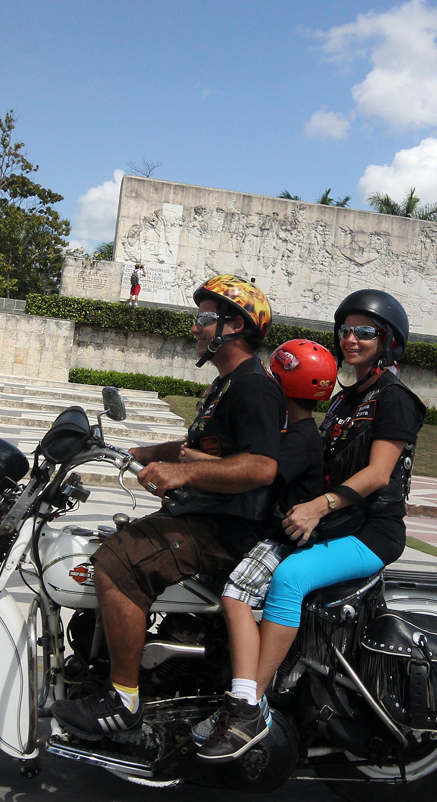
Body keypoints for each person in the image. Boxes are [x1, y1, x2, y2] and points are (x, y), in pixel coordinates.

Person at [51, 275, 285, 742]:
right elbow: (199, 446)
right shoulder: (226, 385)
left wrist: (184, 473)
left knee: (116, 565)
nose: (195, 328)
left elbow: (261, 467)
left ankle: (123, 700)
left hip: (225, 529)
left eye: (204, 319)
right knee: (107, 542)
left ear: (235, 325)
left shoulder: (254, 387)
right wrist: (148, 451)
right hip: (199, 517)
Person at [197, 289, 426, 762]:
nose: (351, 340)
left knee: (289, 578)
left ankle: (247, 709)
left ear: (388, 340)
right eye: (345, 331)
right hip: (336, 524)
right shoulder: (346, 400)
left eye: (365, 332)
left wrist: (318, 506)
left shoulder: (395, 399)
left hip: (371, 531)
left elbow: (379, 473)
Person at [187, 339, 337, 758]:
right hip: (278, 535)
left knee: (235, 595)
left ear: (283, 382)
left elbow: (261, 475)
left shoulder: (300, 439)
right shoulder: (300, 431)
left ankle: (244, 701)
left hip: (285, 541)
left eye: (274, 374)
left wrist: (198, 462)